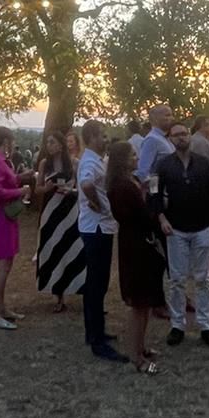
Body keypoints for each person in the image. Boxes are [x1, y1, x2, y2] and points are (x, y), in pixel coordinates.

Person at [154, 121, 209, 349]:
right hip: (175, 229)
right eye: (176, 135)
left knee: (203, 279)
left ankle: (206, 325)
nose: (181, 138)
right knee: (177, 280)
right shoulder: (163, 166)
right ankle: (177, 325)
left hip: (203, 226)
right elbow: (154, 195)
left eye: (184, 134)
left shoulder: (204, 164)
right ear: (170, 139)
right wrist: (161, 219)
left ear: (189, 136)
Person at [109, 140, 164, 373]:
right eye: (132, 154)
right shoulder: (122, 186)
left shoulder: (130, 183)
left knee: (145, 301)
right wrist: (155, 206)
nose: (137, 157)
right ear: (122, 159)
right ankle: (135, 355)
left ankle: (141, 346)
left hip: (139, 241)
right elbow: (140, 215)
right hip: (135, 245)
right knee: (138, 303)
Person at [77, 119, 128, 362]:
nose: (106, 139)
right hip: (96, 229)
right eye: (102, 135)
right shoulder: (89, 160)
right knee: (97, 284)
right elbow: (86, 184)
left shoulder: (96, 159)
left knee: (97, 284)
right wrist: (95, 203)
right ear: (91, 138)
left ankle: (95, 332)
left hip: (101, 228)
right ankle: (97, 341)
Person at [34, 130, 83, 311]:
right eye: (48, 142)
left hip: (69, 212)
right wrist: (46, 188)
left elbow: (80, 189)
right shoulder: (44, 164)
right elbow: (37, 189)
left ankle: (73, 286)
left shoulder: (74, 163)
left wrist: (71, 191)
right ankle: (57, 294)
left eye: (52, 142)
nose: (49, 145)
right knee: (52, 250)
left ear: (61, 144)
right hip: (50, 212)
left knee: (69, 249)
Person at [0, 127, 25, 329]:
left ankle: (1, 307)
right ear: (6, 141)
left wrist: (22, 178)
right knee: (2, 264)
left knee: (7, 262)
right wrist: (21, 190)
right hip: (0, 216)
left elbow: (7, 182)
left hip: (6, 216)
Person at [136, 104, 172, 182]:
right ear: (155, 119)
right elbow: (143, 172)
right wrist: (155, 190)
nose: (171, 118)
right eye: (167, 115)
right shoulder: (152, 140)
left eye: (171, 115)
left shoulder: (166, 138)